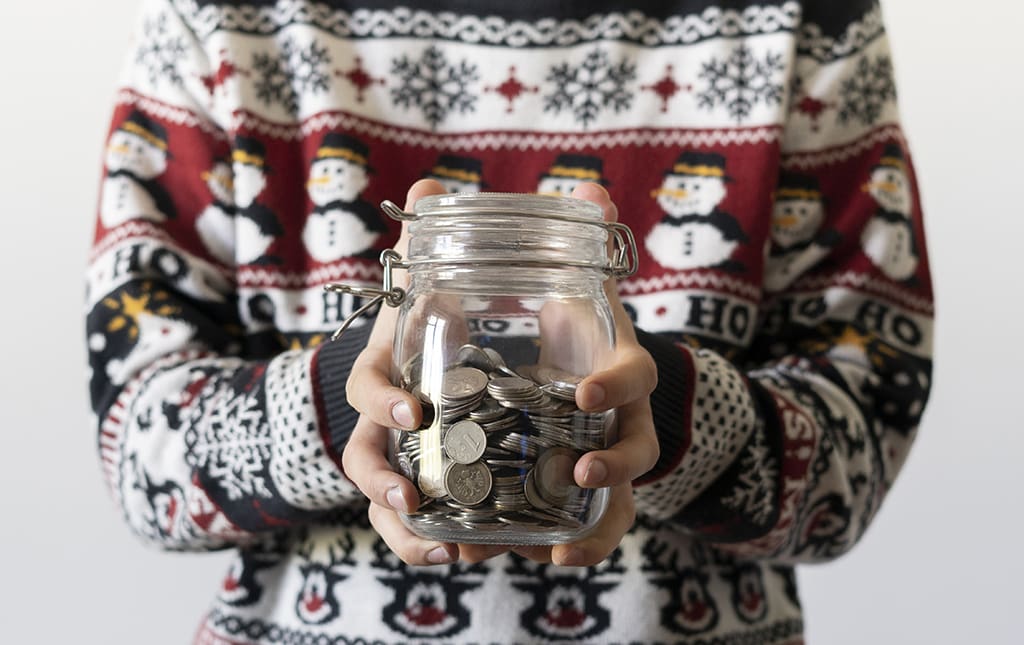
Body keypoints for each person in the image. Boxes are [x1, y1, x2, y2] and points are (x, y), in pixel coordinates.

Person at [86, 0, 933, 642]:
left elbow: (855, 456)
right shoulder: (222, 21)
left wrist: (669, 412)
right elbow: (141, 454)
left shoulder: (809, 21)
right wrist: (353, 395)